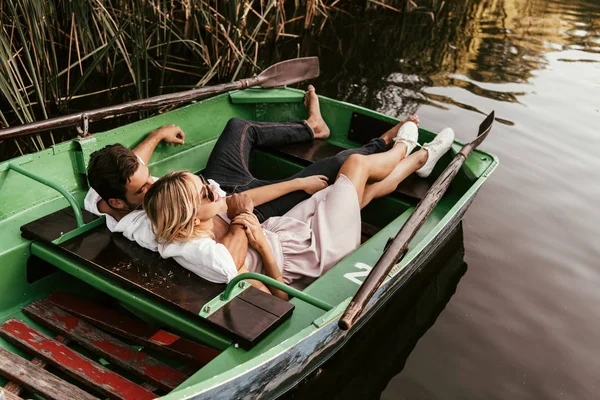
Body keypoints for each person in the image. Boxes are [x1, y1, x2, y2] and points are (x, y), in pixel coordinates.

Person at [84, 86, 420, 259]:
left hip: (214, 183)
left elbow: (136, 168)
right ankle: (384, 143)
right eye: (142, 191)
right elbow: (231, 209)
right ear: (117, 203)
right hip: (242, 206)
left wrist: (156, 136)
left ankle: (312, 127)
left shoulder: (102, 194)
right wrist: (298, 183)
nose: (150, 186)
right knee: (334, 167)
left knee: (238, 127)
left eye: (146, 180)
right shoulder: (150, 223)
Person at [142, 123, 455, 296]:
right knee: (355, 166)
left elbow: (124, 209)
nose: (214, 188)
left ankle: (420, 161)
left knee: (359, 195)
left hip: (289, 231)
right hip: (313, 257)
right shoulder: (215, 260)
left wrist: (296, 186)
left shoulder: (205, 219)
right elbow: (281, 297)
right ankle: (408, 150)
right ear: (190, 217)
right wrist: (263, 246)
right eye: (206, 192)